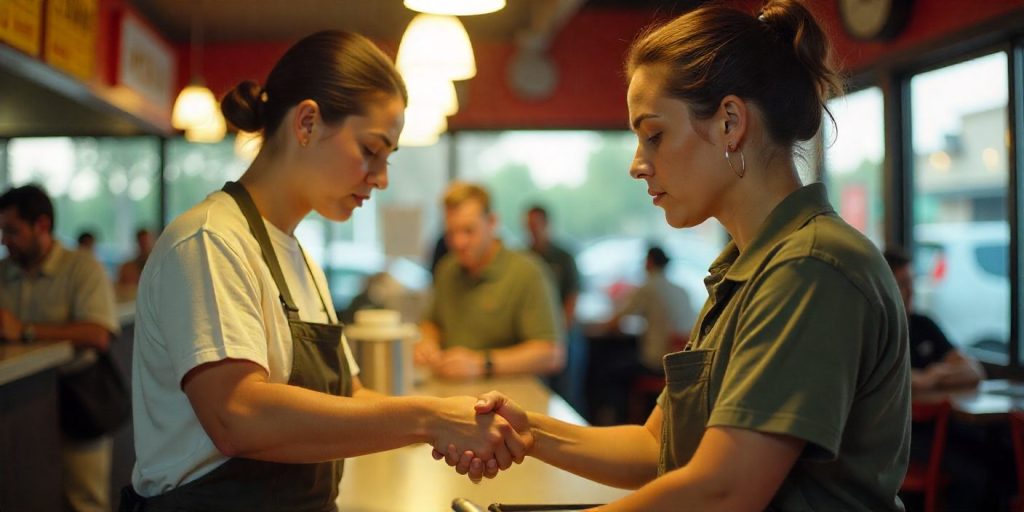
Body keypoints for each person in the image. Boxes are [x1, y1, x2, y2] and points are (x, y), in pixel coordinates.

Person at [448, 2, 911, 510]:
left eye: (654, 135)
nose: (637, 165)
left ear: (730, 122)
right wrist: (528, 430)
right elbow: (656, 446)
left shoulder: (810, 266)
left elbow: (724, 490)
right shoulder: (746, 270)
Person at [126, 31, 527, 511]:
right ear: (307, 122)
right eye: (371, 150)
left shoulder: (300, 259)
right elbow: (237, 416)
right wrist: (428, 418)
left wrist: (447, 421)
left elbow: (351, 396)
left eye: (388, 158)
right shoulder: (211, 241)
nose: (381, 178)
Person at [0, 185, 120, 512]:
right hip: (19, 405)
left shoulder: (82, 267)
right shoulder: (4, 271)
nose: (4, 240)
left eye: (12, 231)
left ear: (42, 225)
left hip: (78, 397)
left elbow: (98, 334)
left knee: (85, 498)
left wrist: (25, 330)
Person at [414, 182, 565, 381]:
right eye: (451, 233)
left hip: (511, 394)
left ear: (492, 222)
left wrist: (482, 363)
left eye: (469, 231)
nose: (459, 242)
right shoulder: (447, 269)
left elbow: (551, 354)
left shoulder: (527, 272)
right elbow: (432, 323)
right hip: (453, 389)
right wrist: (427, 343)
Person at [884, 248, 985, 391]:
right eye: (902, 284)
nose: (911, 291)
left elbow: (974, 371)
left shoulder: (923, 324)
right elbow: (889, 381)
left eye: (912, 283)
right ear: (884, 288)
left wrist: (934, 376)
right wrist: (922, 378)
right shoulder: (876, 332)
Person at [524, 204, 586, 410]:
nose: (532, 229)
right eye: (529, 225)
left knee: (568, 393)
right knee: (537, 392)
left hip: (563, 333)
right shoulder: (525, 256)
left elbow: (572, 297)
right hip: (536, 336)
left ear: (546, 224)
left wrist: (559, 331)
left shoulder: (563, 257)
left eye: (536, 224)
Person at [116, 228, 155, 300]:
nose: (145, 246)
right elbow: (119, 290)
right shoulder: (127, 268)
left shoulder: (158, 267)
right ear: (137, 243)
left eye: (147, 243)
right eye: (142, 243)